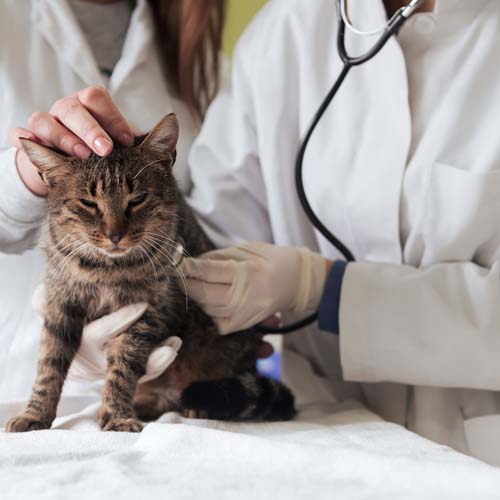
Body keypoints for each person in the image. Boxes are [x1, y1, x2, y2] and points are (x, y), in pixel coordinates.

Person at [2, 0, 500, 465]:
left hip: (473, 438)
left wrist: (321, 287)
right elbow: (217, 238)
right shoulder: (288, 29)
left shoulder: (205, 58)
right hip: (322, 430)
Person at [0, 0, 225, 399]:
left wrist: (252, 295)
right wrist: (25, 177)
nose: (113, 229)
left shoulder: (210, 63)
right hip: (16, 385)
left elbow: (221, 223)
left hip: (166, 393)